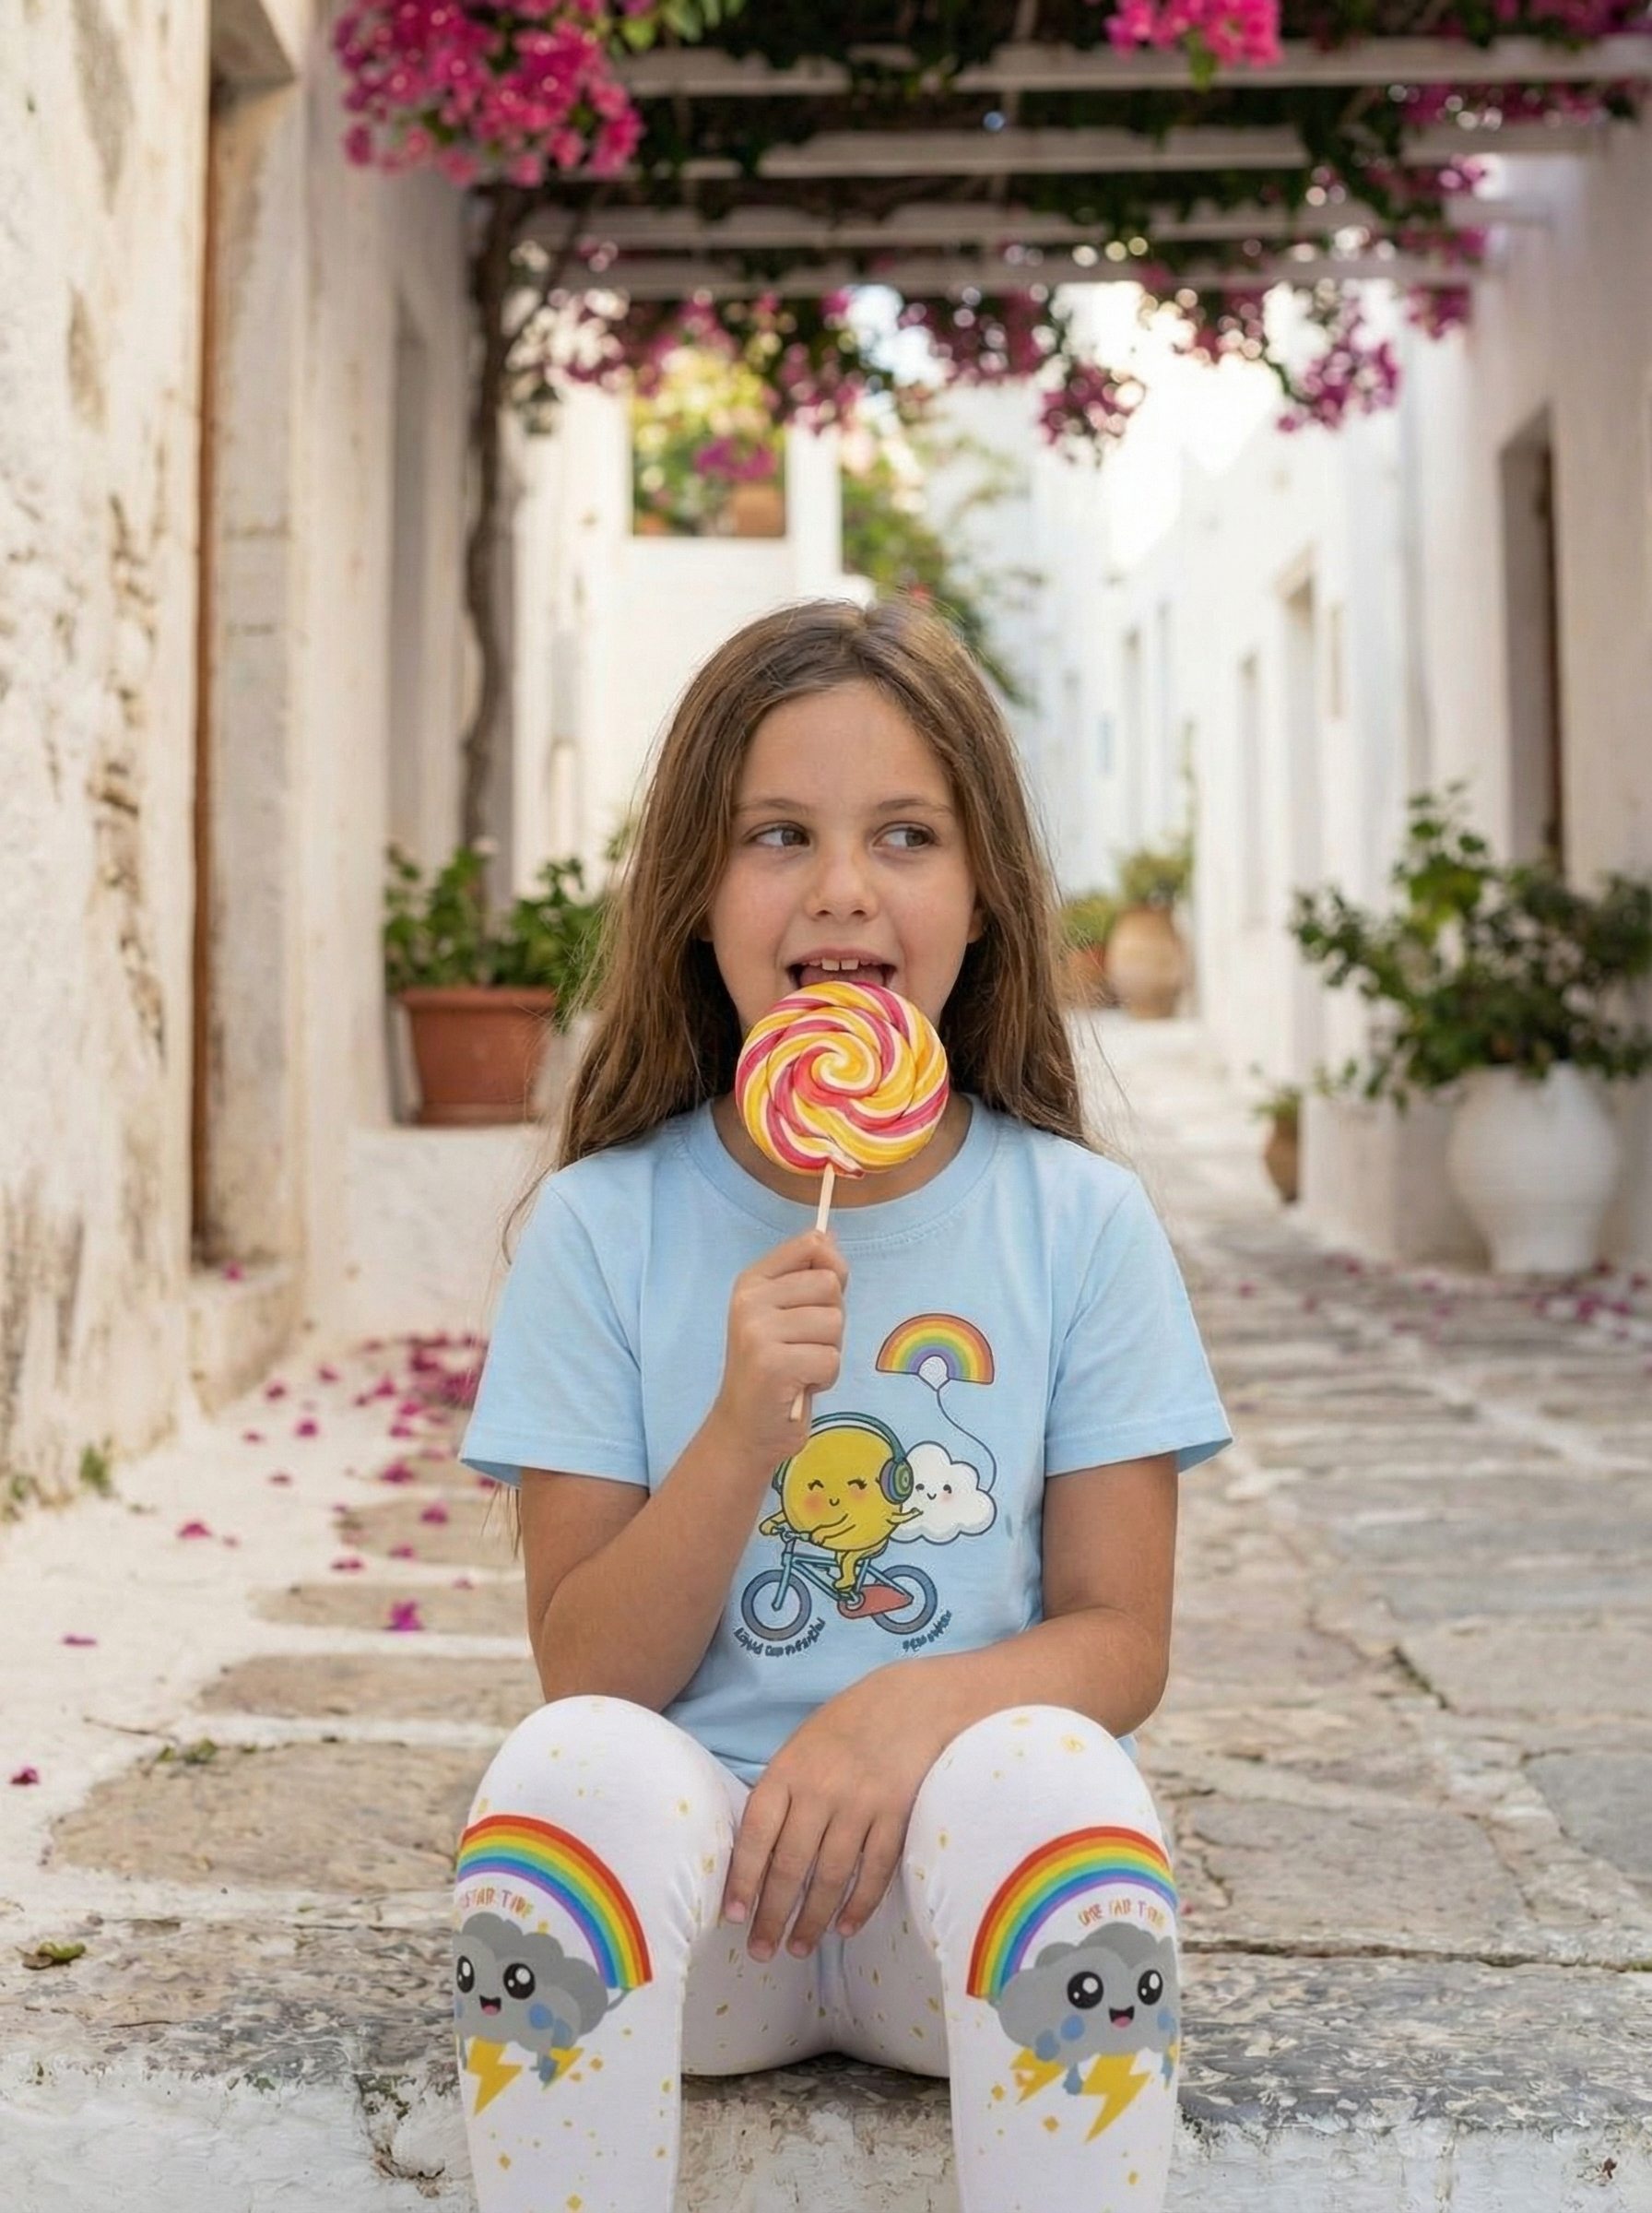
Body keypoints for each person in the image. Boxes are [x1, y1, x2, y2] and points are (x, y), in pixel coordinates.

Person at [453, 597, 1230, 2213]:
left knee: (1066, 1777)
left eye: (906, 835)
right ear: (695, 893)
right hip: (700, 1926)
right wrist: (743, 1428)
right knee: (562, 1770)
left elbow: (1119, 1638)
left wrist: (898, 1713)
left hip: (954, 1924)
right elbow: (587, 1667)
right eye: (779, 834)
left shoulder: (1078, 1226)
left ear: (984, 897)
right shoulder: (608, 1227)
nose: (843, 889)